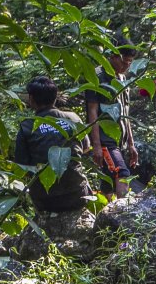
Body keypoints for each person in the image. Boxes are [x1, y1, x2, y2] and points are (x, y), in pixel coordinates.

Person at [13, 76, 91, 212]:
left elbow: (22, 165)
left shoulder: (27, 126)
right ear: (55, 97)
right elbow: (85, 148)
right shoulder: (73, 118)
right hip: (76, 192)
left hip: (44, 199)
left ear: (31, 99)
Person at [85, 35, 140, 197]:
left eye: (130, 63)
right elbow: (92, 112)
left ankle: (106, 217)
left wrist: (131, 143)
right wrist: (96, 144)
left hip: (119, 139)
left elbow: (125, 113)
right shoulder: (97, 76)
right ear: (113, 56)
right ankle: (124, 215)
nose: (126, 66)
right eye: (124, 61)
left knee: (108, 181)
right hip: (105, 139)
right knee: (121, 173)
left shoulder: (122, 78)